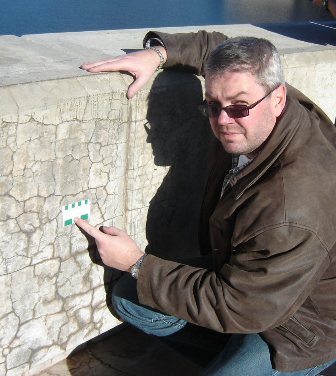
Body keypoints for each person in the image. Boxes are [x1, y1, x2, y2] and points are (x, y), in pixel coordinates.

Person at [76, 31, 336, 375]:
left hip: (302, 324)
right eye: (212, 105)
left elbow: (242, 306)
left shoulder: (293, 207)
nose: (223, 120)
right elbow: (219, 50)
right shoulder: (268, 100)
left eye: (238, 108)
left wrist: (139, 264)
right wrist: (158, 55)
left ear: (278, 98)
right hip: (248, 274)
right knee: (130, 297)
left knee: (145, 283)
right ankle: (230, 354)